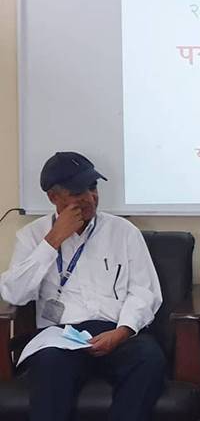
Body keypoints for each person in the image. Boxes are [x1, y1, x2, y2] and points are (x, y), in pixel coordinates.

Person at [0, 152, 165, 421]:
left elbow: (144, 291)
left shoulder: (123, 231)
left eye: (93, 187)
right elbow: (15, 294)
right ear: (53, 197)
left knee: (149, 359)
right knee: (48, 366)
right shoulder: (32, 236)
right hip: (61, 337)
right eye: (78, 192)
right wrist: (52, 241)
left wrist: (122, 331)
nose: (89, 199)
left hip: (117, 330)